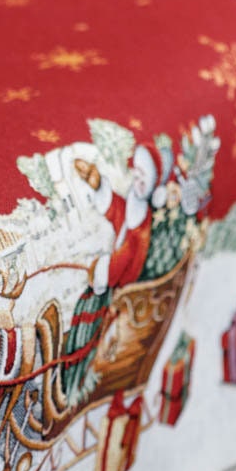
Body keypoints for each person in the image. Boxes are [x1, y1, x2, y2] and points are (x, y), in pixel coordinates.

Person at [60, 145, 161, 404]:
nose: (137, 180)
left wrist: (102, 270)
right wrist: (98, 186)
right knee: (84, 307)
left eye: (144, 177)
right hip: (110, 280)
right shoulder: (135, 209)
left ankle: (76, 383)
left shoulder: (143, 224)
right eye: (136, 173)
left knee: (88, 313)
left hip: (118, 289)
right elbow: (119, 213)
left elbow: (129, 255)